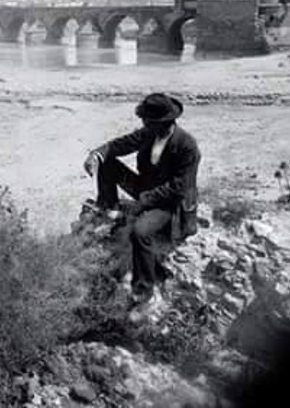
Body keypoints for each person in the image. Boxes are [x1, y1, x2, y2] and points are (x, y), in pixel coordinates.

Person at [83, 93, 201, 312]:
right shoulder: (149, 134)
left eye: (148, 121)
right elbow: (121, 145)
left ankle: (143, 290)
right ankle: (108, 208)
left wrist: (143, 203)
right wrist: (97, 155)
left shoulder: (187, 147)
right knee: (108, 163)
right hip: (146, 189)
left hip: (169, 204)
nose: (143, 124)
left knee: (140, 232)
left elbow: (179, 188)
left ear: (163, 122)